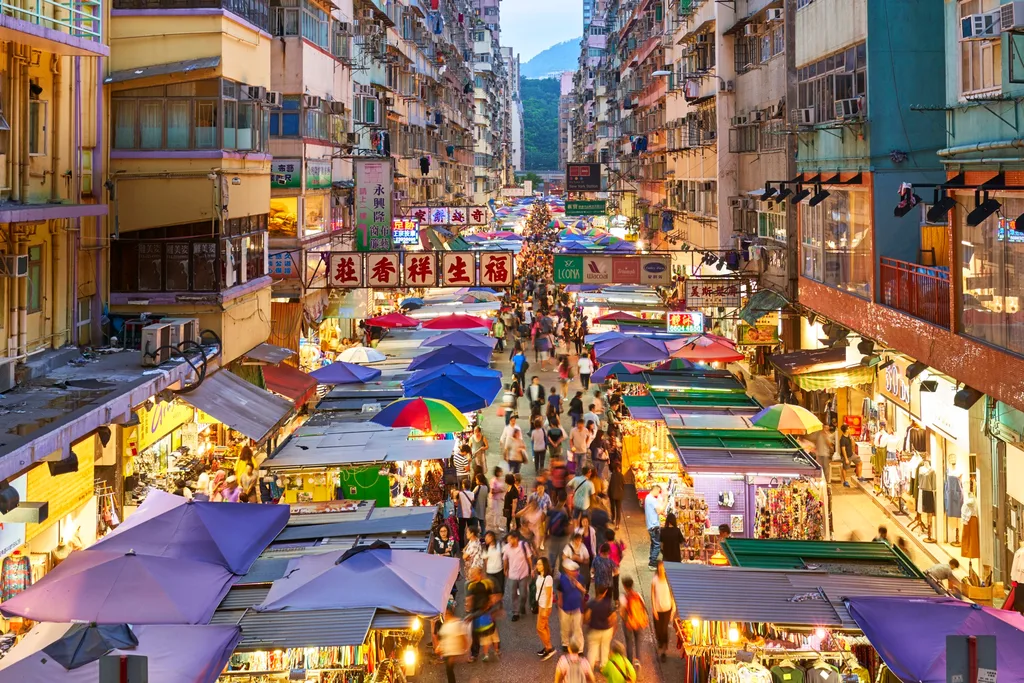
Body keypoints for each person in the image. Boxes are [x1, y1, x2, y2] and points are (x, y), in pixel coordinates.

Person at [466, 566, 500, 663]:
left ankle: (496, 648)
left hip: (486, 611)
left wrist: (490, 606)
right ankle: (474, 654)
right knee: (475, 634)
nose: (471, 576)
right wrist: (468, 608)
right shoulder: (471, 585)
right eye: (471, 574)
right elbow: (470, 597)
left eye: (473, 574)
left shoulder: (487, 583)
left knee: (492, 630)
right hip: (475, 611)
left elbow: (492, 596)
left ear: (479, 574)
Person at [502, 531, 533, 621]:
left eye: (510, 539)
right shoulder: (507, 548)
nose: (509, 542)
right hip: (512, 574)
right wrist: (505, 569)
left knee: (523, 593)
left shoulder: (523, 545)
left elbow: (529, 557)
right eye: (508, 540)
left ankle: (522, 606)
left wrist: (532, 569)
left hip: (523, 573)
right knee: (513, 594)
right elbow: (505, 559)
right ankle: (515, 612)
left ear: (516, 539)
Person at [557, 559, 586, 652]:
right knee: (565, 626)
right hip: (565, 607)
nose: (576, 572)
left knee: (577, 628)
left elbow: (584, 591)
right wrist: (560, 601)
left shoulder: (581, 578)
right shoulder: (562, 579)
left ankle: (580, 648)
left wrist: (580, 588)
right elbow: (560, 591)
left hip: (577, 607)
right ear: (567, 570)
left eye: (576, 570)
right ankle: (565, 643)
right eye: (573, 571)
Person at [584, 584, 616, 670]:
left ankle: (589, 669)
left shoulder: (591, 603)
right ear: (605, 592)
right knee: (605, 649)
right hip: (606, 630)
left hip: (594, 630)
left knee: (592, 651)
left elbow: (586, 618)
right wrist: (612, 628)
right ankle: (603, 667)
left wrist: (589, 623)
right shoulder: (608, 603)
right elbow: (613, 618)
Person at [619, 577, 647, 667]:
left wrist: (624, 619)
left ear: (624, 586)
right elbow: (643, 607)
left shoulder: (623, 597)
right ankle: (638, 661)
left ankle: (630, 663)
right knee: (638, 642)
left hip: (628, 623)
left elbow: (622, 612)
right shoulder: (638, 595)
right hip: (638, 622)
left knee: (629, 642)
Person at [438, 604, 469, 683]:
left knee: (449, 669)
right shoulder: (446, 624)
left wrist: (465, 649)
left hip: (453, 651)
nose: (445, 616)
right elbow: (443, 636)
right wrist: (440, 647)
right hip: (447, 651)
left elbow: (463, 637)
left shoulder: (457, 623)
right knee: (449, 670)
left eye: (447, 613)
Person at [651, 562, 676, 662]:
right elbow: (652, 594)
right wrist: (653, 608)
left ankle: (664, 651)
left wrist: (673, 608)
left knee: (664, 629)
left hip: (667, 608)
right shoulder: (655, 580)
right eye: (660, 568)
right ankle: (660, 643)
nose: (662, 570)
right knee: (658, 629)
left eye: (663, 568)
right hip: (658, 608)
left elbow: (672, 594)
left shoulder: (668, 580)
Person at [534, 556, 556, 660]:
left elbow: (548, 594)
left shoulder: (548, 578)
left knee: (540, 628)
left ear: (544, 566)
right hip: (541, 604)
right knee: (545, 626)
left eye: (539, 564)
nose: (537, 566)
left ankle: (549, 648)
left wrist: (546, 609)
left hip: (545, 606)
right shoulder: (540, 576)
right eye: (537, 564)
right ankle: (547, 647)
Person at [645, 485, 668, 569]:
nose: (659, 494)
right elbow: (659, 511)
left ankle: (652, 559)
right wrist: (666, 500)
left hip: (650, 525)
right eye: (659, 492)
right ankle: (652, 563)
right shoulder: (652, 499)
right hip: (654, 525)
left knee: (653, 544)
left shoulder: (647, 497)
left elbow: (656, 510)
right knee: (657, 545)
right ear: (656, 490)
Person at [483, 530, 505, 597]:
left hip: (499, 571)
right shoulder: (485, 548)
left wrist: (505, 568)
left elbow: (504, 557)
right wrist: (484, 573)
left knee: (500, 589)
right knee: (491, 590)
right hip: (490, 572)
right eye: (485, 538)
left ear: (492, 537)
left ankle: (500, 604)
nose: (486, 539)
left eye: (487, 537)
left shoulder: (500, 544)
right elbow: (485, 561)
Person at [489, 467, 507, 531]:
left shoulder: (501, 479)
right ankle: (496, 525)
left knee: (499, 513)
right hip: (494, 499)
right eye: (500, 471)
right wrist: (500, 491)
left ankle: (497, 525)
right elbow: (492, 491)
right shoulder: (493, 481)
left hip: (499, 498)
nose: (501, 473)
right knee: (496, 513)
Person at [608, 463, 625, 529]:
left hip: (612, 494)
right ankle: (617, 524)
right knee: (618, 509)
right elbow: (623, 485)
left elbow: (610, 485)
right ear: (619, 468)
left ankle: (613, 519)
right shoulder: (621, 476)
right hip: (619, 494)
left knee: (613, 507)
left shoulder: (612, 475)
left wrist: (609, 493)